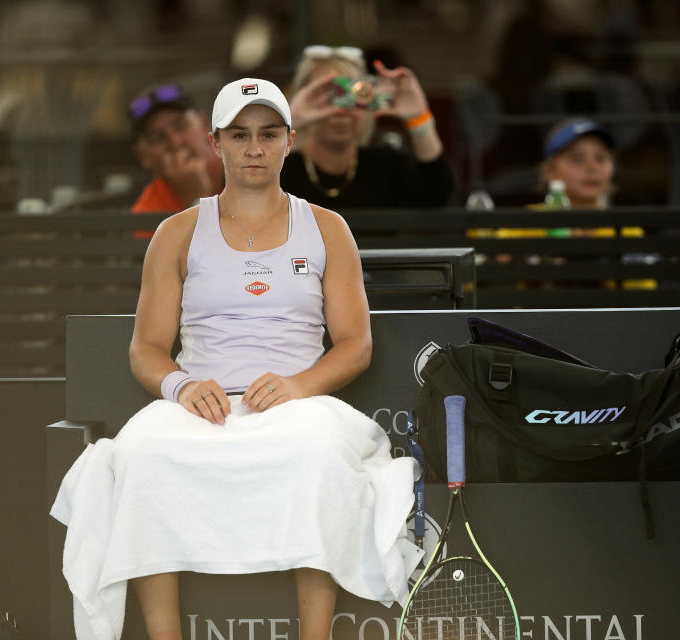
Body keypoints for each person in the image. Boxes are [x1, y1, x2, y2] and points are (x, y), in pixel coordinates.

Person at [51, 78, 418, 640]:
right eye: (240, 135)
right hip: (204, 401)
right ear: (215, 143)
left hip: (298, 401)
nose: (254, 148)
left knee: (315, 452)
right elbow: (146, 348)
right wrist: (179, 386)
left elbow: (355, 344)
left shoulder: (327, 228)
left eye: (268, 134)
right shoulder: (175, 232)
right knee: (143, 452)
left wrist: (299, 386)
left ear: (289, 140)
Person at [279, 45, 454, 209]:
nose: (340, 109)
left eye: (351, 94)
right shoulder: (279, 171)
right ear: (302, 97)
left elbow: (437, 196)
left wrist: (419, 119)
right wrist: (289, 121)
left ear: (370, 98)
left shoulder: (387, 169)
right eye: (326, 94)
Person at [129, 84, 226, 213]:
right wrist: (196, 200)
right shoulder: (146, 212)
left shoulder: (247, 170)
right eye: (157, 137)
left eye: (181, 126)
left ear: (204, 125)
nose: (175, 143)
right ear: (143, 156)